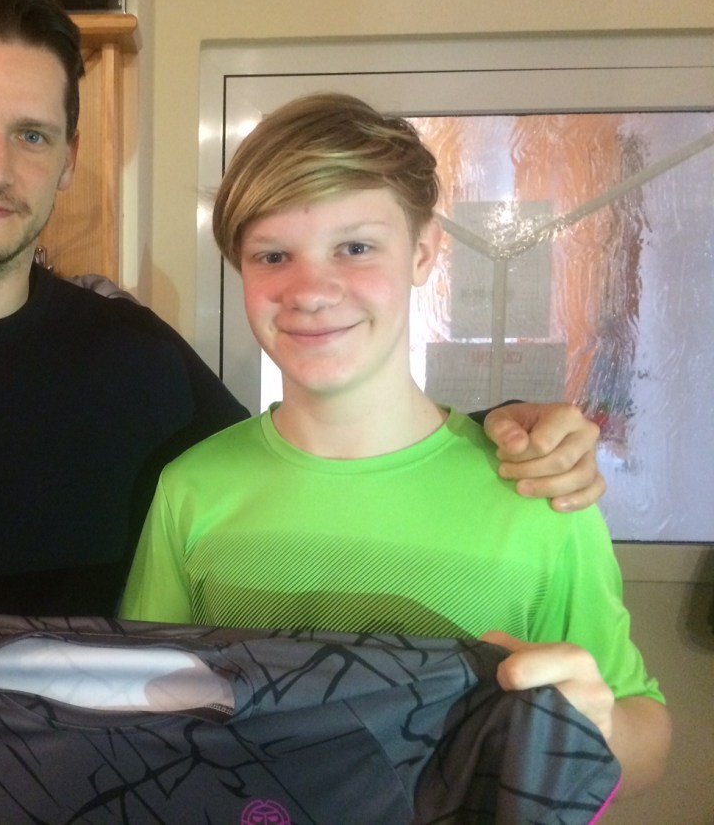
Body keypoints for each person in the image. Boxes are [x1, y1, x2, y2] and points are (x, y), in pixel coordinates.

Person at [0, 0, 606, 825]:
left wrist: (498, 429)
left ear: (69, 157)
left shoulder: (137, 360)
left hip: (74, 802)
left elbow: (313, 450)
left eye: (31, 134)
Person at [118, 92, 671, 796]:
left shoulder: (538, 491)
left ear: (424, 251)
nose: (310, 290)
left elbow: (646, 740)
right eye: (273, 254)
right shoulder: (191, 487)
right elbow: (141, 717)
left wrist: (599, 730)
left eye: (355, 247)